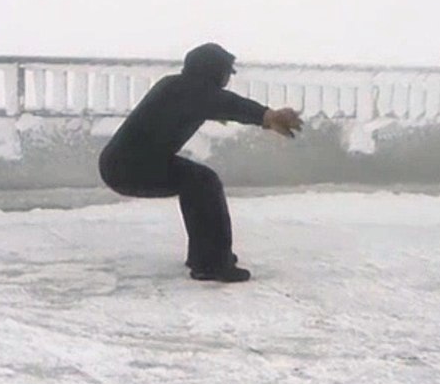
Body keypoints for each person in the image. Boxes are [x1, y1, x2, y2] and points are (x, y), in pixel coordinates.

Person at [97, 43, 303, 283]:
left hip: (127, 164)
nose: (227, 79)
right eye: (226, 73)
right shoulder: (191, 90)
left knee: (196, 183)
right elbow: (229, 104)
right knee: (203, 182)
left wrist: (264, 118)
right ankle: (210, 264)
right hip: (128, 168)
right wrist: (268, 116)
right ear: (214, 70)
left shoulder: (178, 86)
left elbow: (218, 104)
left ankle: (205, 256)